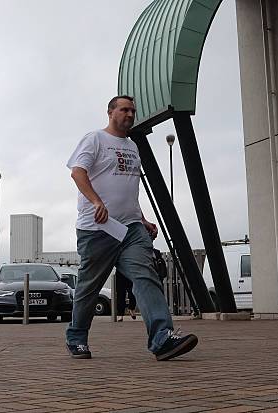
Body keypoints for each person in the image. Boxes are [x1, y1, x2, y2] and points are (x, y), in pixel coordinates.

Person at [65, 95, 198, 360]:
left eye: (133, 111)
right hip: (97, 228)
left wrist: (142, 218)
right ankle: (77, 337)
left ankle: (162, 339)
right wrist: (96, 201)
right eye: (124, 109)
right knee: (89, 287)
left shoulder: (132, 146)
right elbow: (77, 172)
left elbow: (129, 190)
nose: (129, 114)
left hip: (130, 229)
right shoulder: (95, 139)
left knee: (145, 275)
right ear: (111, 112)